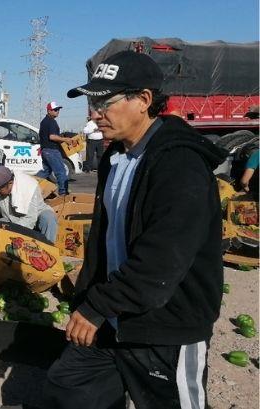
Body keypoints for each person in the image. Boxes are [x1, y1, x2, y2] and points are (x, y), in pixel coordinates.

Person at [44, 50, 227, 409]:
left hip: (164, 327)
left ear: (144, 100)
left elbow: (161, 262)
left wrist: (95, 307)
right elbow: (106, 240)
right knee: (68, 389)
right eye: (92, 102)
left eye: (105, 102)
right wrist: (89, 298)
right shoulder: (116, 159)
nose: (95, 113)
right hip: (115, 319)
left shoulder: (179, 164)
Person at [37, 101, 75, 195]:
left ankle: (32, 185)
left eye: (58, 109)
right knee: (61, 172)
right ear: (49, 111)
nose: (57, 111)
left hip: (45, 150)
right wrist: (65, 139)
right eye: (55, 110)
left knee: (46, 172)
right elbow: (52, 137)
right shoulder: (51, 121)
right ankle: (63, 193)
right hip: (51, 150)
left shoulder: (44, 121)